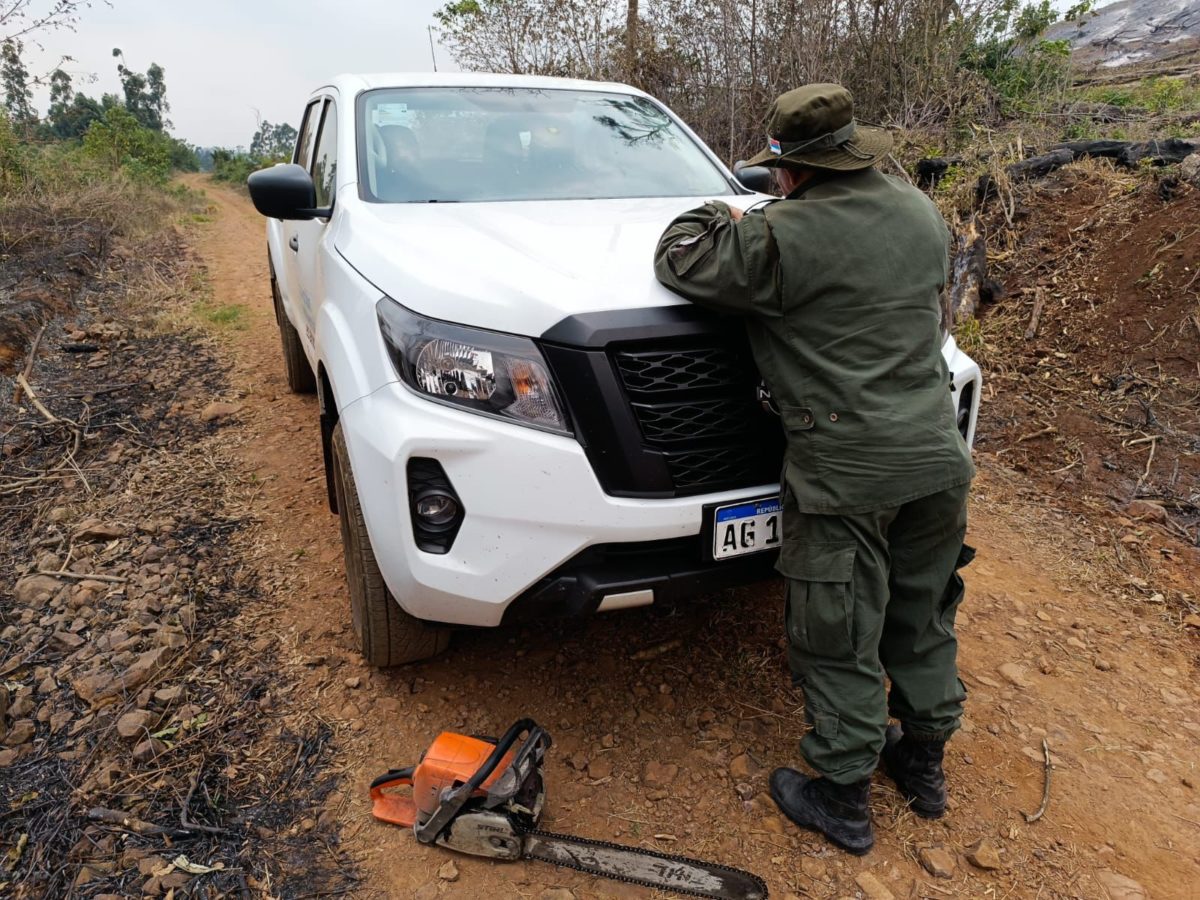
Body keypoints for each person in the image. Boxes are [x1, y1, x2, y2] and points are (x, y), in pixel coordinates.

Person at [653, 84, 975, 856]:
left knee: (840, 628)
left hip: (847, 472)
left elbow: (677, 256)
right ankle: (923, 764)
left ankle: (841, 798)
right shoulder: (921, 214)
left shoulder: (776, 238)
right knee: (921, 610)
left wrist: (725, 209)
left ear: (789, 172)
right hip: (938, 457)